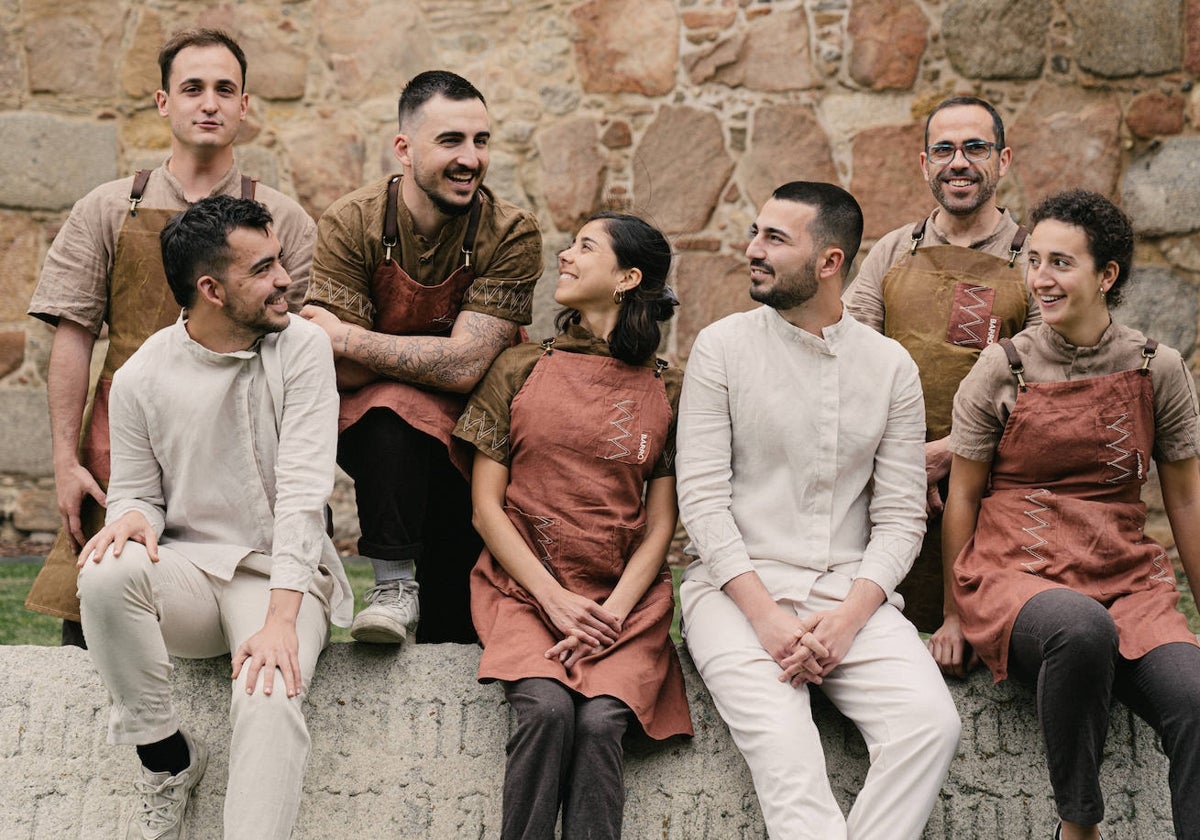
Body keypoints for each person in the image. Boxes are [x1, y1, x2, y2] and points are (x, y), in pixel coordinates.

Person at [677, 181, 960, 840]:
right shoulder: (721, 349)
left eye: (775, 239)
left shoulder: (890, 367)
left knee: (930, 725)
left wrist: (848, 618)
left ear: (829, 262)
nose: (753, 249)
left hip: (848, 593)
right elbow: (702, 500)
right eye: (756, 233)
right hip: (732, 593)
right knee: (790, 758)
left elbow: (899, 517)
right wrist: (766, 618)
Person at [25, 28, 317, 647]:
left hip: (236, 439)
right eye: (192, 88)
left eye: (224, 89)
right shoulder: (107, 209)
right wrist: (64, 459)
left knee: (235, 608)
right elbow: (73, 337)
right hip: (121, 433)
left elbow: (297, 344)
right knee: (101, 602)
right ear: (164, 103)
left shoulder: (283, 219)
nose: (208, 102)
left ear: (245, 106)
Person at [76, 196, 351, 840]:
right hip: (192, 578)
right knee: (105, 570)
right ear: (212, 290)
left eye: (279, 259)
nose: (285, 279)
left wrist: (282, 620)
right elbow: (136, 495)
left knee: (269, 699)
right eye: (263, 269)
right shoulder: (141, 376)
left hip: (279, 580)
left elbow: (305, 492)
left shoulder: (305, 347)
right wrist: (132, 518)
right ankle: (167, 759)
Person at [943, 189, 1200, 840]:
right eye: (1033, 260)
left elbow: (1188, 499)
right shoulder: (1002, 369)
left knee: (1196, 700)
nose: (1040, 278)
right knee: (1081, 629)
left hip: (1128, 579)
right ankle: (1077, 826)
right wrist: (952, 613)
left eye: (1060, 262)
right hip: (1015, 574)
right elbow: (964, 498)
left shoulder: (1158, 369)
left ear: (1105, 276)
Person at [453, 212, 692, 839]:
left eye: (585, 247)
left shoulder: (670, 388)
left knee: (601, 722)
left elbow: (660, 523)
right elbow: (486, 507)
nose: (565, 255)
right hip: (524, 590)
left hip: (624, 602)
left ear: (626, 278)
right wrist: (554, 599)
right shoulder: (518, 368)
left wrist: (610, 612)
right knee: (547, 710)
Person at [301, 70, 542, 645]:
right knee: (391, 412)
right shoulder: (351, 222)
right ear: (404, 149)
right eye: (451, 141)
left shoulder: (510, 232)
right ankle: (392, 588)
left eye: (481, 141)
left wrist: (353, 340)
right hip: (381, 438)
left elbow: (468, 367)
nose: (471, 158)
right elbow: (335, 371)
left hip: (479, 429)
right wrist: (424, 361)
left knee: (457, 626)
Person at [842, 95, 1039, 653]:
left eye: (975, 147)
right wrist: (903, 460)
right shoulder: (891, 252)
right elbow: (848, 360)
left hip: (995, 488)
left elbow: (1049, 380)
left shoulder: (1034, 260)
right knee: (883, 635)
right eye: (944, 149)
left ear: (1002, 161)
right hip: (890, 484)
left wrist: (952, 453)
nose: (958, 162)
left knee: (987, 640)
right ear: (923, 162)